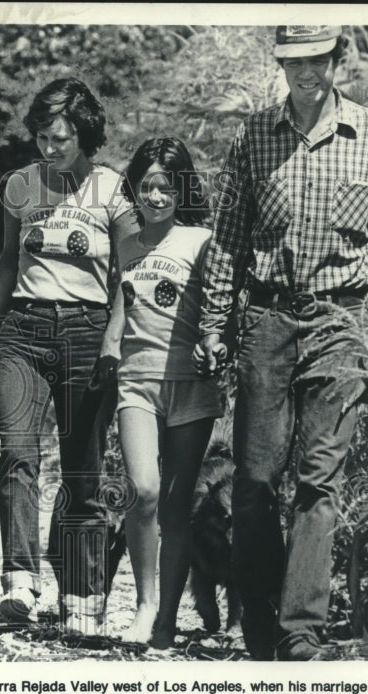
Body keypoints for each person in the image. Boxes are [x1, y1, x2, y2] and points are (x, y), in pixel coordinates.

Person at [195, 26, 368, 660]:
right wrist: (213, 321)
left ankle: (302, 633)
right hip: (266, 321)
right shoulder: (255, 136)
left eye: (316, 59)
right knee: (257, 481)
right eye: (292, 61)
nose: (305, 72)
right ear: (280, 63)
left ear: (336, 59)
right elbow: (230, 239)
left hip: (341, 327)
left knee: (320, 481)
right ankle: (259, 622)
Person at [0, 78, 133, 636]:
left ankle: (82, 592)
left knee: (81, 469)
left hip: (88, 331)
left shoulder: (113, 190)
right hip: (23, 327)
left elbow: (129, 275)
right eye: (43, 137)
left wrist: (115, 337)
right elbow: (4, 263)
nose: (51, 148)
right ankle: (20, 578)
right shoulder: (19, 186)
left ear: (85, 135)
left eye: (62, 139)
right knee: (17, 453)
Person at [97, 137, 222, 648]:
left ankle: (166, 620)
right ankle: (144, 605)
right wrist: (108, 351)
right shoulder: (125, 246)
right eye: (146, 186)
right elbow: (120, 308)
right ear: (134, 190)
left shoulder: (201, 240)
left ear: (182, 189)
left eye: (166, 187)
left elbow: (219, 309)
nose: (155, 196)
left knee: (175, 508)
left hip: (191, 389)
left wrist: (213, 345)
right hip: (137, 383)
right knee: (142, 490)